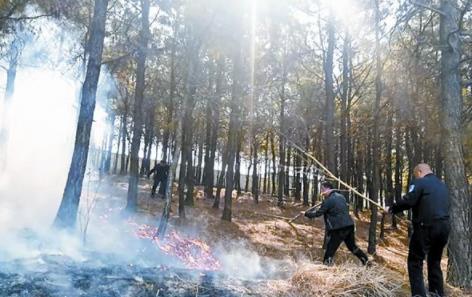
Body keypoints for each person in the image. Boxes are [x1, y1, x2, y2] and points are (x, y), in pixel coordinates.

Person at [386, 163, 450, 297]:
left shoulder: (420, 183)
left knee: (415, 261)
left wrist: (392, 208)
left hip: (425, 227)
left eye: (416, 174)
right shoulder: (442, 185)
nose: (416, 177)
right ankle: (437, 293)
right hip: (443, 227)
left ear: (420, 172)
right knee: (434, 261)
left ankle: (418, 294)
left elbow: (409, 200)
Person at [304, 181, 369, 266]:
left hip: (339, 228)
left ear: (328, 189)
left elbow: (318, 213)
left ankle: (326, 268)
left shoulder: (328, 200)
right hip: (349, 225)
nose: (322, 192)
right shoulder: (341, 197)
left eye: (322, 189)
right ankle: (366, 261)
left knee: (330, 249)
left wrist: (307, 214)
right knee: (352, 247)